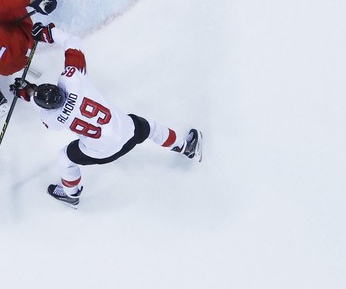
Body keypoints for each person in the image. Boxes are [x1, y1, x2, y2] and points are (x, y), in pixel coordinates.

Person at [11, 43, 203, 209]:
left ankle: (71, 195)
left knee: (65, 158)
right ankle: (185, 146)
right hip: (129, 132)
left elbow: (43, 110)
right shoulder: (74, 82)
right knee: (151, 128)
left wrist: (26, 92)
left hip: (101, 153)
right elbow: (73, 47)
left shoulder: (51, 118)